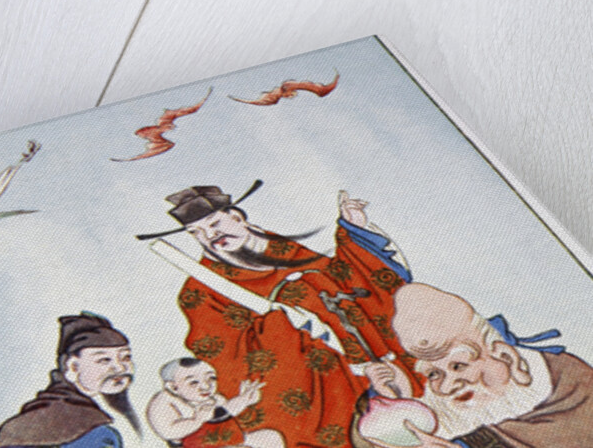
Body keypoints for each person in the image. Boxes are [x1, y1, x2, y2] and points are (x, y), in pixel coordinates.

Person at [141, 181, 425, 447]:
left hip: (367, 356)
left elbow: (343, 278)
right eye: (197, 233)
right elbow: (219, 351)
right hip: (310, 381)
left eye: (215, 224)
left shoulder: (282, 249)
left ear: (237, 217)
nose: (211, 236)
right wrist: (282, 323)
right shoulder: (200, 291)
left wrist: (355, 231)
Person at [366, 283, 593, 448]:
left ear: (506, 357)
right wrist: (398, 402)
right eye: (434, 373)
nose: (447, 387)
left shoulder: (574, 388)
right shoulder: (459, 405)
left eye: (458, 366)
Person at [0, 312, 140, 448]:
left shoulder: (21, 423)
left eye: (126, 357)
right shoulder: (96, 434)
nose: (120, 368)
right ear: (73, 367)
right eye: (104, 360)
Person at [147, 357, 285, 448]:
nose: (206, 386)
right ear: (173, 387)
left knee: (270, 437)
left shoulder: (215, 398)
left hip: (224, 440)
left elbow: (224, 413)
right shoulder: (163, 403)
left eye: (211, 378)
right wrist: (196, 420)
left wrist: (244, 400)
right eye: (194, 382)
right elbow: (168, 432)